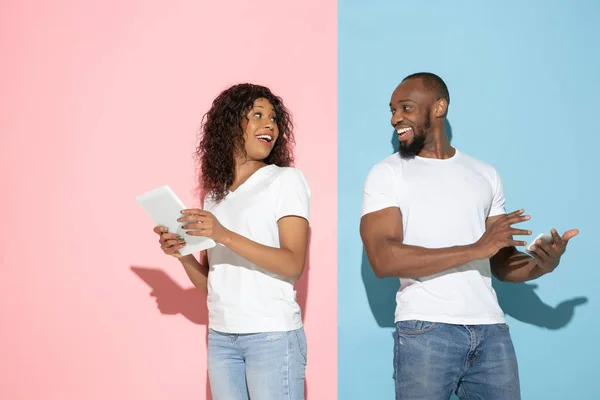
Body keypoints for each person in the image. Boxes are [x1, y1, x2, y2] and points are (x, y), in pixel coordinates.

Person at [359, 72, 579, 400]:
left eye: (405, 107)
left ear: (439, 107)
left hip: (491, 331)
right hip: (425, 330)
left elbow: (502, 263)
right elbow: (383, 257)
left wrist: (541, 264)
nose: (395, 118)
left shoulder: (484, 174)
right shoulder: (387, 173)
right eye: (392, 110)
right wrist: (476, 247)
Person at [153, 83, 310, 400]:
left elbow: (293, 264)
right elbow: (215, 285)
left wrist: (222, 234)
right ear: (230, 125)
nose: (270, 125)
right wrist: (182, 255)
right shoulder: (215, 197)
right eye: (257, 115)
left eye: (274, 119)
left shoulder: (285, 181)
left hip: (272, 335)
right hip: (223, 337)